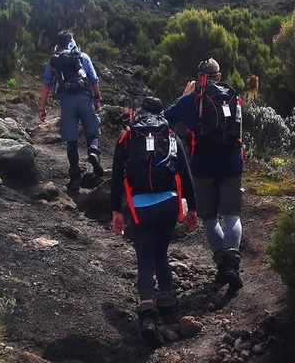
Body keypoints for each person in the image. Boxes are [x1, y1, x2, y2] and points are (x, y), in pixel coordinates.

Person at [110, 96, 199, 347]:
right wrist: (192, 208)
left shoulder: (128, 138)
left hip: (141, 208)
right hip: (169, 205)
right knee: (161, 254)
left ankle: (148, 314)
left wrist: (116, 210)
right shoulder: (171, 136)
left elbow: (117, 177)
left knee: (146, 259)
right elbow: (186, 175)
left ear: (140, 113)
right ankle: (168, 305)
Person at [164, 57, 246, 291]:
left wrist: (184, 96)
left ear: (199, 78)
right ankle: (231, 265)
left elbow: (164, 119)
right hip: (232, 164)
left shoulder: (191, 100)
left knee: (210, 219)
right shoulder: (232, 97)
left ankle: (222, 264)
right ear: (218, 77)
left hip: (203, 167)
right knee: (232, 215)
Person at [38, 30, 103, 191]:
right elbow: (94, 80)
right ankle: (93, 152)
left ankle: (74, 178)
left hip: (67, 101)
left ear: (58, 44)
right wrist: (97, 100)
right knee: (92, 131)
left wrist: (42, 109)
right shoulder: (82, 57)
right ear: (72, 41)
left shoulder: (54, 61)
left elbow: (46, 85)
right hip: (84, 98)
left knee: (71, 140)